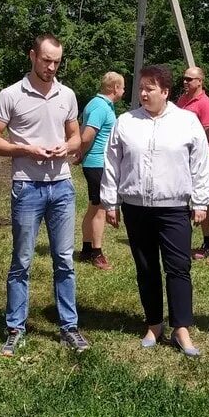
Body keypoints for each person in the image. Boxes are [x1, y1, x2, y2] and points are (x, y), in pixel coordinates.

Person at [0, 34, 88, 357]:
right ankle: (16, 328)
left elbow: (75, 138)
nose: (51, 67)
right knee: (22, 260)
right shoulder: (11, 95)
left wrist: (67, 146)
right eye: (46, 60)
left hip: (61, 186)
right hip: (26, 186)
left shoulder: (67, 95)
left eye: (57, 61)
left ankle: (69, 327)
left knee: (64, 260)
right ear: (32, 56)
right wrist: (24, 149)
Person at [101, 65, 209, 356]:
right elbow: (112, 164)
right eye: (140, 87)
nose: (142, 93)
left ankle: (181, 329)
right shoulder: (125, 122)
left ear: (165, 92)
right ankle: (153, 324)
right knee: (147, 267)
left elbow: (201, 164)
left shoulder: (187, 122)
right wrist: (110, 201)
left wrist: (201, 201)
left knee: (178, 268)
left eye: (149, 88)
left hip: (174, 207)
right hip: (137, 207)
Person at [77, 71, 125, 270]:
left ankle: (87, 249)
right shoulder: (100, 107)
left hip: (96, 163)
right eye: (122, 87)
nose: (123, 91)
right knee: (101, 209)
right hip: (97, 164)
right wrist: (81, 152)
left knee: (93, 207)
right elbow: (87, 135)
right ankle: (97, 253)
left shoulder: (100, 105)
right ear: (114, 88)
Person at [177, 66, 209, 259]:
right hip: (179, 157)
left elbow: (206, 133)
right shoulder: (182, 100)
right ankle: (180, 237)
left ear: (200, 81)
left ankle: (207, 243)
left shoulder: (206, 104)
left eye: (189, 79)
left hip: (195, 157)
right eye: (184, 79)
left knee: (201, 199)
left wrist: (193, 153)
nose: (185, 82)